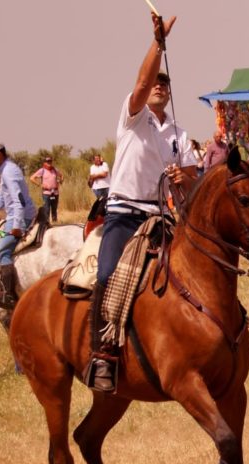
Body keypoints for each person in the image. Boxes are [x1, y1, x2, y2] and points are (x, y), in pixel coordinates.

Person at [86, 12, 197, 392]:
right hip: (122, 213)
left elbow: (193, 175)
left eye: (165, 84)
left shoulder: (179, 134)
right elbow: (141, 79)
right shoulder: (132, 116)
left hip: (161, 216)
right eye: (156, 82)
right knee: (106, 275)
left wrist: (188, 176)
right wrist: (158, 44)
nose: (159, 86)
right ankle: (102, 356)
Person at [0, 138, 36, 309]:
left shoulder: (9, 171)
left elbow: (18, 201)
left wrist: (17, 226)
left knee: (2, 250)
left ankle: (7, 294)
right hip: (14, 216)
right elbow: (2, 198)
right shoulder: (6, 169)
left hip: (20, 217)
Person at [30, 156, 63, 223]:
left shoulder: (55, 170)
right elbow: (32, 178)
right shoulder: (42, 170)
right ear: (45, 162)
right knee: (46, 209)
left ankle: (55, 223)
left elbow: (61, 176)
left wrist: (60, 181)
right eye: (48, 161)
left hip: (55, 192)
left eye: (50, 161)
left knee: (54, 209)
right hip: (46, 193)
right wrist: (39, 184)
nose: (49, 163)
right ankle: (46, 224)